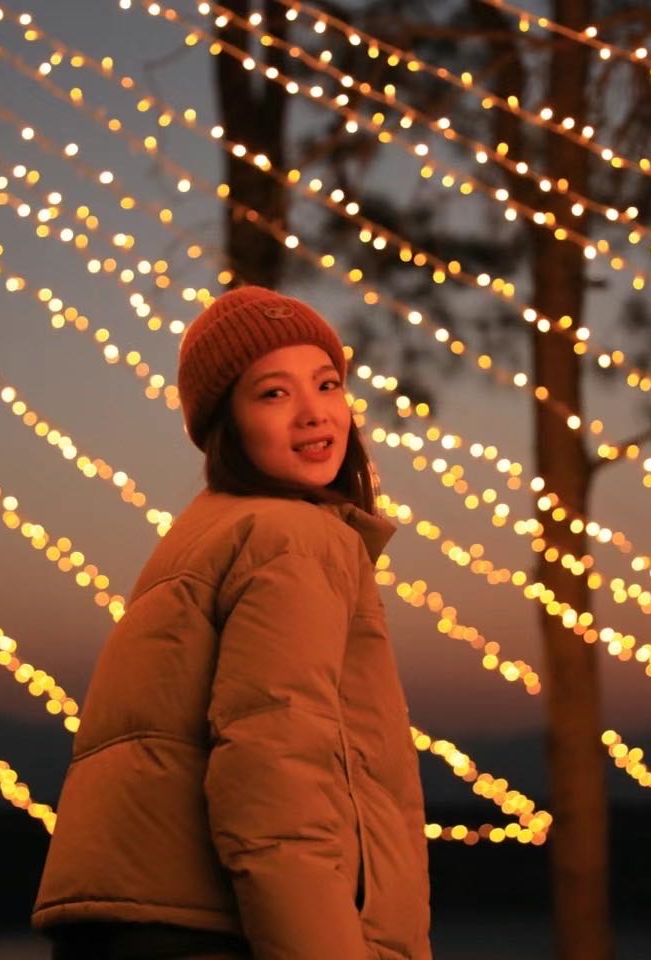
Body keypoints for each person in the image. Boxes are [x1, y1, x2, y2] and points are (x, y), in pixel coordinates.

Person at [32, 286, 432, 959]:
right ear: (228, 423)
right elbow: (277, 785)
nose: (314, 414)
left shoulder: (206, 532)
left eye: (327, 384)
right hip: (215, 932)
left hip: (133, 921)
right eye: (273, 394)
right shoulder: (292, 537)